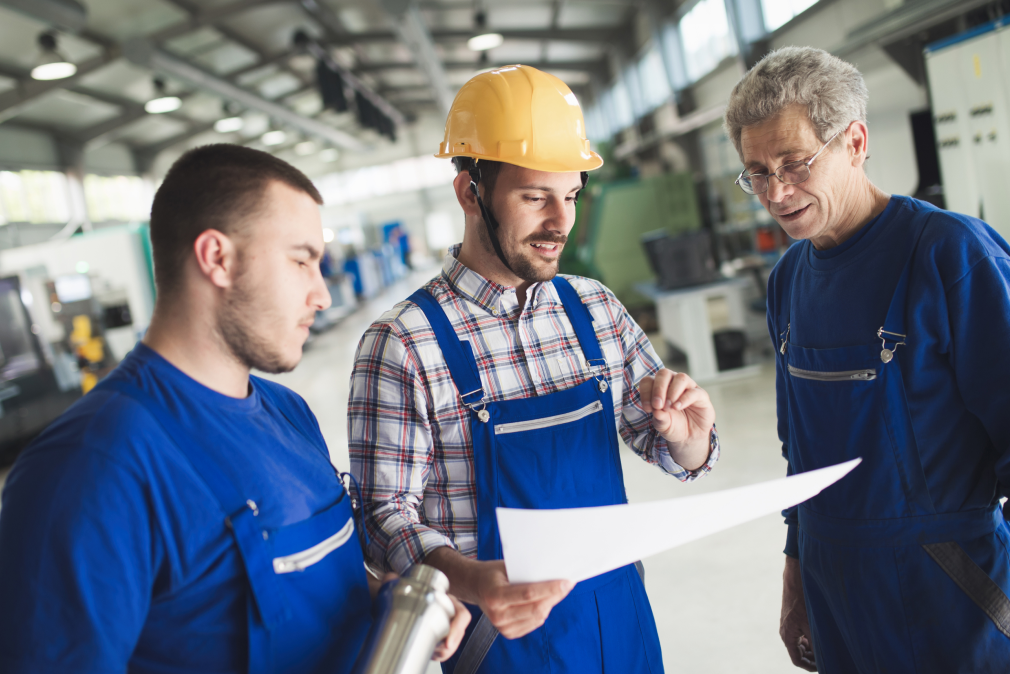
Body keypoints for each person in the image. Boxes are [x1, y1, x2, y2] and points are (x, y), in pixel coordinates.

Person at [0, 144, 468, 674]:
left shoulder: (289, 414)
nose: (322, 295)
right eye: (300, 261)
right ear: (217, 258)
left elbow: (310, 579)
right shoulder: (93, 466)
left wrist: (399, 602)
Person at [348, 65, 720, 674]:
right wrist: (473, 579)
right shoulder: (402, 343)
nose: (561, 222)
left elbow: (675, 452)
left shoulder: (595, 308)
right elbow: (382, 516)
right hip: (498, 643)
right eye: (534, 197)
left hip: (619, 621)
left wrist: (686, 432)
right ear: (470, 192)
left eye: (571, 195)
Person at [724, 47, 1010, 672]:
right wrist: (797, 576)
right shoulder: (789, 279)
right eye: (757, 172)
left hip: (951, 588)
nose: (776, 191)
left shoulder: (950, 257)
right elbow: (798, 450)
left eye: (794, 163)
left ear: (854, 141)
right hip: (836, 588)